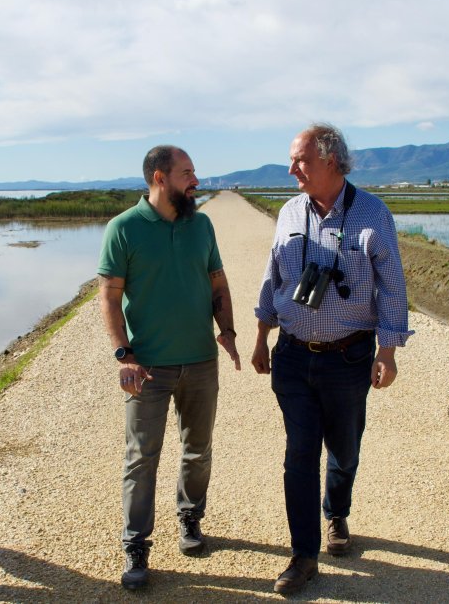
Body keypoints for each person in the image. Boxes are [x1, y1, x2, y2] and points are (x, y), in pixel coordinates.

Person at [251, 123, 412, 595]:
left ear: (331, 161)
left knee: (344, 450)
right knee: (299, 452)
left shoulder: (372, 214)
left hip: (348, 358)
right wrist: (262, 335)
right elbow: (272, 274)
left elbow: (394, 288)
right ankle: (303, 555)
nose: (291, 169)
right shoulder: (288, 212)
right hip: (294, 357)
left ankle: (335, 513)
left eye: (300, 160)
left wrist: (388, 351)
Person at [97, 145, 240, 591]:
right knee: (141, 458)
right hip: (149, 368)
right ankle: (136, 546)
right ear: (160, 177)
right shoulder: (124, 228)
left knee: (198, 448)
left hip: (200, 360)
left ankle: (190, 518)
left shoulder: (202, 225)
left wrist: (228, 333)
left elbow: (217, 281)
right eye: (187, 172)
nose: (195, 180)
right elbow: (108, 296)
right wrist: (125, 355)